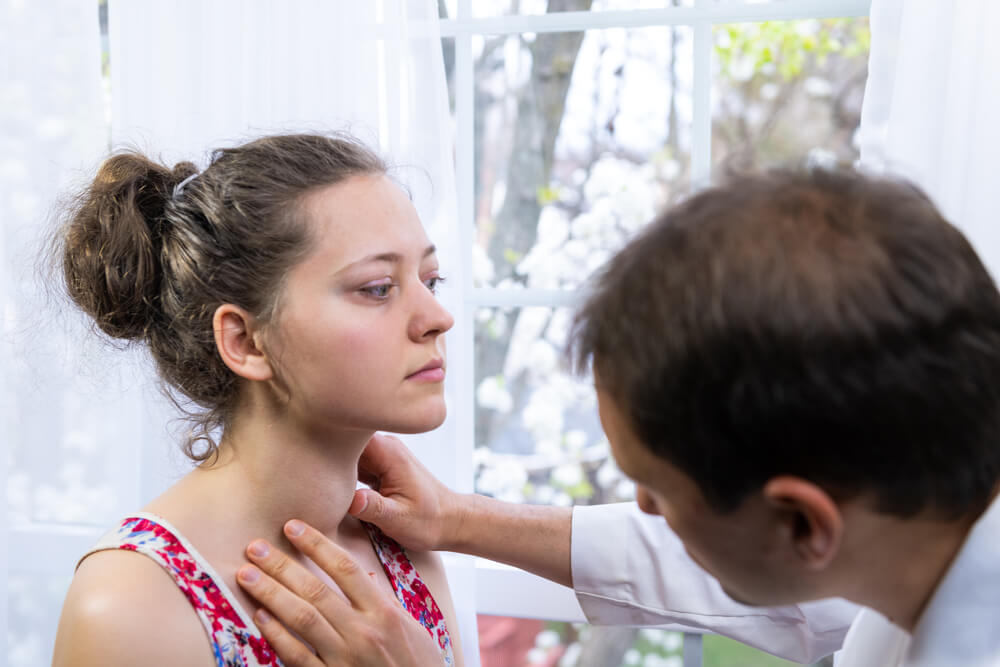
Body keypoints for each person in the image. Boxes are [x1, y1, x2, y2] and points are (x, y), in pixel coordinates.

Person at [236, 167, 1000, 667]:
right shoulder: (915, 523)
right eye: (377, 285)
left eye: (657, 490)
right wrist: (458, 520)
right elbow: (765, 580)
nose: (645, 511)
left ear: (803, 523)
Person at [50, 133, 465, 667]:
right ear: (245, 342)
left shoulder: (403, 554)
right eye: (379, 287)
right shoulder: (131, 605)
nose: (438, 317)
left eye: (432, 279)